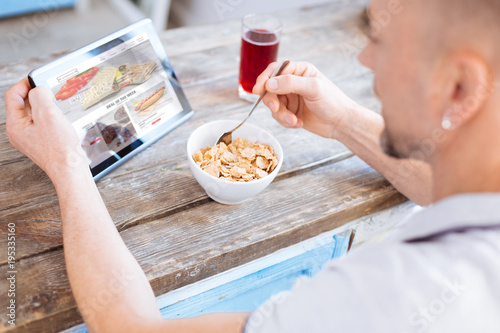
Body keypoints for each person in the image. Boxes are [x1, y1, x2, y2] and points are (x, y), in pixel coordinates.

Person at [5, 0, 500, 331]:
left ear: (460, 87)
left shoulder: (390, 298)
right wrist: (345, 121)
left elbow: (133, 327)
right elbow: (440, 186)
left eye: (385, 43)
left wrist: (69, 162)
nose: (367, 59)